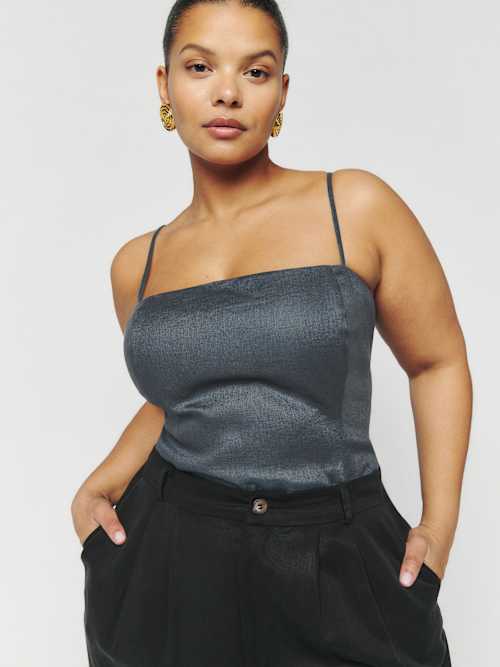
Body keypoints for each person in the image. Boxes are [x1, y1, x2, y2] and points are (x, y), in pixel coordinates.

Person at [71, 1, 472, 665]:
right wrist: (99, 484)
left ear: (282, 91)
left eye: (254, 72)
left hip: (337, 555)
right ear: (165, 85)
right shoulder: (137, 264)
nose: (227, 92)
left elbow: (438, 362)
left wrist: (439, 525)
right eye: (200, 67)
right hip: (171, 564)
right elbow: (180, 400)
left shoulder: (354, 206)